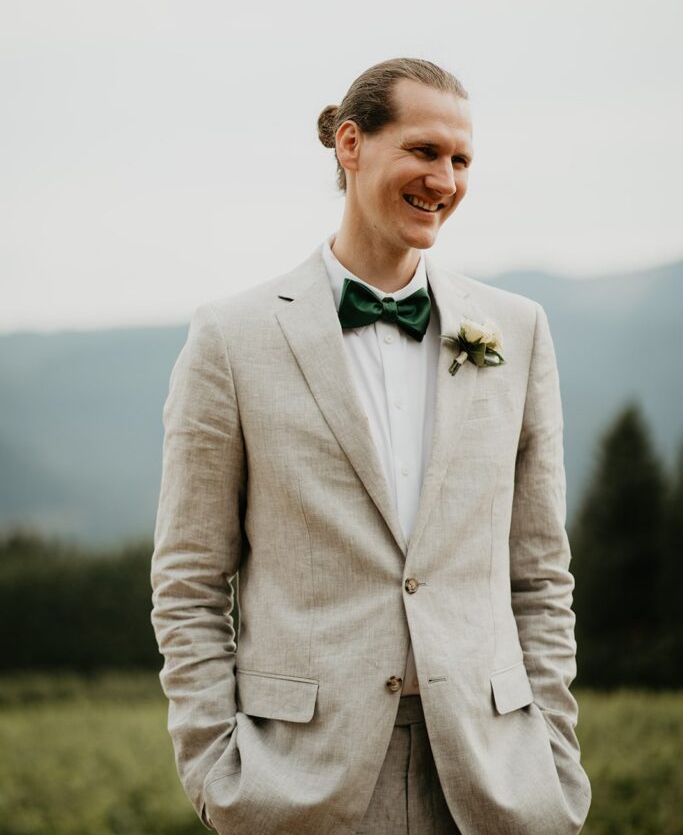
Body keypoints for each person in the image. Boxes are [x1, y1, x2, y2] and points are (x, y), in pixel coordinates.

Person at [150, 57, 592, 835]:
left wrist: (554, 754)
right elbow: (189, 578)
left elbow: (539, 570)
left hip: (495, 779)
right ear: (350, 145)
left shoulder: (515, 331)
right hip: (300, 782)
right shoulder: (232, 338)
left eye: (460, 161)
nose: (445, 181)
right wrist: (216, 771)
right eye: (423, 152)